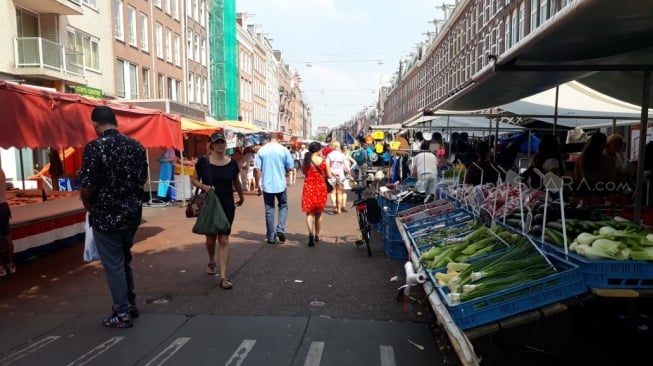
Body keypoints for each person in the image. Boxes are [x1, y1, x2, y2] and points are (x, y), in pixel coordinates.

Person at [79, 106, 148, 328]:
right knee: (124, 258)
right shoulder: (136, 146)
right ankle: (130, 304)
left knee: (114, 264)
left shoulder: (95, 147)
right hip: (131, 214)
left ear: (96, 124)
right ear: (115, 122)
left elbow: (88, 186)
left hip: (106, 215)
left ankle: (121, 313)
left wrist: (88, 205)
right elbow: (142, 178)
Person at [190, 132, 244, 289]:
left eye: (222, 142)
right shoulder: (203, 162)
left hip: (227, 202)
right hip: (210, 202)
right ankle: (212, 260)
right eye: (217, 142)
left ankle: (224, 277)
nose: (220, 145)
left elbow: (236, 181)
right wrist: (204, 187)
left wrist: (241, 196)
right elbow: (193, 179)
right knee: (210, 239)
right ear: (211, 145)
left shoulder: (232, 163)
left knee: (224, 239)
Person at [254, 132, 295, 244]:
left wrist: (257, 185)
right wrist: (285, 170)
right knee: (283, 206)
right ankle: (280, 229)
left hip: (267, 185)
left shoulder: (262, 150)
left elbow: (257, 169)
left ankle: (271, 237)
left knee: (269, 210)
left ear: (268, 139)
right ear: (279, 139)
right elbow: (291, 167)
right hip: (280, 184)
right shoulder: (283, 150)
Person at [301, 142, 332, 247]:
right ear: (318, 150)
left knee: (309, 213)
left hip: (308, 188)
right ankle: (317, 235)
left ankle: (310, 234)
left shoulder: (306, 161)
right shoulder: (323, 161)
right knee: (318, 214)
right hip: (320, 189)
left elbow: (304, 172)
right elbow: (329, 175)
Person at [574, 132, 616, 196]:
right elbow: (612, 179)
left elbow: (577, 177)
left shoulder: (580, 158)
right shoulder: (608, 160)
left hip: (584, 189)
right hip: (602, 189)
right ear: (603, 144)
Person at [326, 141, 350, 214]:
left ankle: (334, 204)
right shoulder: (342, 155)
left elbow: (327, 165)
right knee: (339, 192)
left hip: (332, 175)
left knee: (333, 191)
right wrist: (349, 172)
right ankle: (339, 209)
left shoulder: (329, 155)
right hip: (340, 175)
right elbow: (347, 167)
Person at [0, 167, 16, 277]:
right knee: (6, 237)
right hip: (4, 206)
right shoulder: (1, 171)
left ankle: (1, 267)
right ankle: (10, 264)